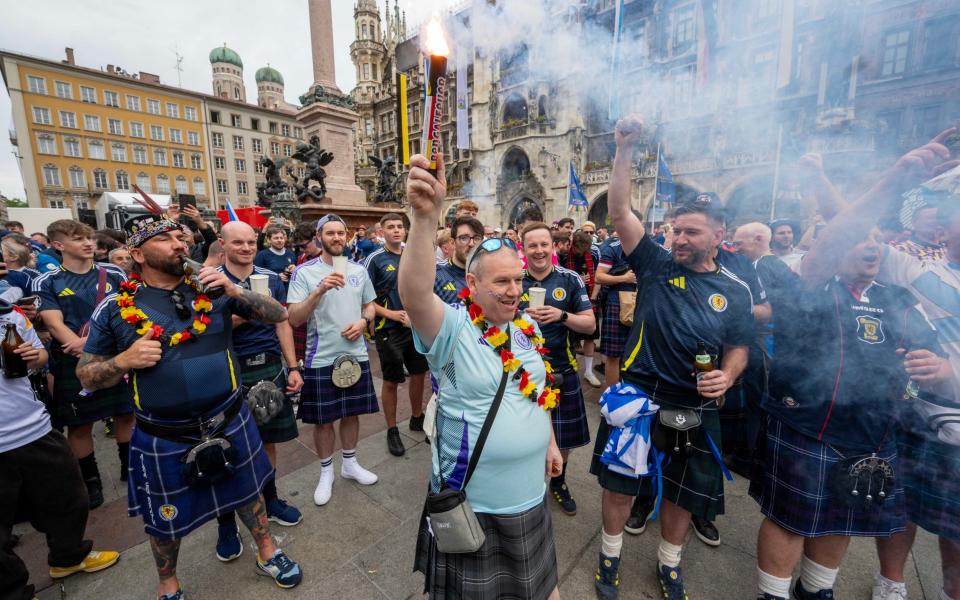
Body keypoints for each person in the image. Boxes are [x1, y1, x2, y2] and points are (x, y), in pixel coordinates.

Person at [77, 212, 302, 598]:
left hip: (229, 417)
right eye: (166, 239)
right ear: (138, 253)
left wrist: (233, 292)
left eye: (180, 237)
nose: (180, 244)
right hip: (164, 432)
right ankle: (169, 584)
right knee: (163, 518)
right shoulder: (116, 308)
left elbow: (279, 315)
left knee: (250, 492)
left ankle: (268, 551)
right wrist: (123, 361)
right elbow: (86, 374)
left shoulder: (211, 289)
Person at [590, 116, 753, 600]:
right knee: (620, 486)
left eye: (691, 232)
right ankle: (610, 557)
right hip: (638, 396)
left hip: (695, 405)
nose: (679, 239)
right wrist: (624, 149)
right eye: (676, 229)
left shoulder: (736, 289)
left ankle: (670, 564)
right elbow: (619, 212)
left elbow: (740, 345)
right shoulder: (656, 262)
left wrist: (728, 374)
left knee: (684, 493)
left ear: (719, 234)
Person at [400, 152, 563, 600]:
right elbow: (414, 293)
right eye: (501, 283)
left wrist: (548, 442)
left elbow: (538, 395)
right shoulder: (452, 328)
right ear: (471, 286)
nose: (514, 291)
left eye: (518, 280)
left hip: (530, 496)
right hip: (473, 504)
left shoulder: (527, 328)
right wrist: (425, 217)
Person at [807, 129, 960, 600]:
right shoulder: (922, 270)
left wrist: (953, 374)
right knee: (900, 508)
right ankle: (890, 582)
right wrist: (892, 178)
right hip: (915, 417)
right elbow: (852, 227)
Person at [0, 300, 121, 600]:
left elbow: (40, 356)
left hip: (31, 425)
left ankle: (68, 557)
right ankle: (12, 593)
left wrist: (34, 356)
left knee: (69, 497)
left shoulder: (8, 313)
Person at [213, 221, 305, 560]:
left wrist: (292, 367)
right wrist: (254, 307)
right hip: (228, 368)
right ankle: (225, 522)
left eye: (251, 241)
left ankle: (271, 498)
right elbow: (208, 326)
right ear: (222, 245)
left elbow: (281, 321)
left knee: (266, 441)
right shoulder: (210, 281)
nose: (246, 247)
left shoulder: (268, 275)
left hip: (268, 364)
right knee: (225, 449)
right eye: (238, 242)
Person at [32, 219, 133, 509]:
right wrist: (86, 350)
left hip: (115, 357)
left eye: (89, 238)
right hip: (72, 361)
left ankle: (130, 469)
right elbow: (53, 322)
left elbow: (128, 311)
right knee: (80, 425)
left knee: (126, 415)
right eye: (78, 239)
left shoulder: (113, 272)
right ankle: (91, 481)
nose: (88, 244)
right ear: (58, 245)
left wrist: (96, 347)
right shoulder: (47, 280)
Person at [287, 214, 380, 506]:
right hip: (320, 357)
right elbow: (294, 317)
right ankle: (326, 471)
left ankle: (350, 464)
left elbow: (370, 305)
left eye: (341, 232)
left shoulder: (358, 270)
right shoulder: (304, 273)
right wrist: (320, 289)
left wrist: (364, 322)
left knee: (351, 414)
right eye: (331, 233)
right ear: (319, 236)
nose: (337, 237)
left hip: (356, 355)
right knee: (324, 420)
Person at [520, 222, 596, 516]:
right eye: (532, 245)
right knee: (523, 435)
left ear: (553, 247)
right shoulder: (514, 279)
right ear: (523, 249)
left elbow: (589, 324)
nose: (539, 250)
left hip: (561, 369)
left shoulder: (570, 279)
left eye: (544, 245)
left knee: (564, 437)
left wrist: (561, 315)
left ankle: (558, 481)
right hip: (521, 372)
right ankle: (528, 484)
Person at [365, 213, 429, 456]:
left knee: (419, 373)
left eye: (399, 226)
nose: (395, 230)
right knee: (391, 380)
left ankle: (416, 416)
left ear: (405, 230)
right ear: (382, 231)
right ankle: (392, 429)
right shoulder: (375, 259)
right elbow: (366, 299)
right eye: (390, 227)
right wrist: (393, 315)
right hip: (388, 328)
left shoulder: (413, 255)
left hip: (416, 326)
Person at [595, 232, 636, 389]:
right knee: (614, 355)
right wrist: (624, 278)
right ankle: (612, 399)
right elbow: (599, 277)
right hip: (617, 304)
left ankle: (633, 397)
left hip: (644, 303)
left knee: (639, 354)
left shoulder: (648, 249)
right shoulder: (613, 249)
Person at [563, 230, 603, 388]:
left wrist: (593, 297)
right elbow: (561, 277)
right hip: (569, 301)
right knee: (568, 337)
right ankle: (570, 368)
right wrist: (577, 279)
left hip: (589, 299)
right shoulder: (565, 255)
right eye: (579, 250)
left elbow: (598, 277)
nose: (582, 253)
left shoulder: (593, 253)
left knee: (590, 337)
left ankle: (588, 371)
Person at [434, 216, 483, 306]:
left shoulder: (490, 275)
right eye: (464, 238)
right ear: (453, 242)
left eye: (477, 238)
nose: (472, 244)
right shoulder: (436, 274)